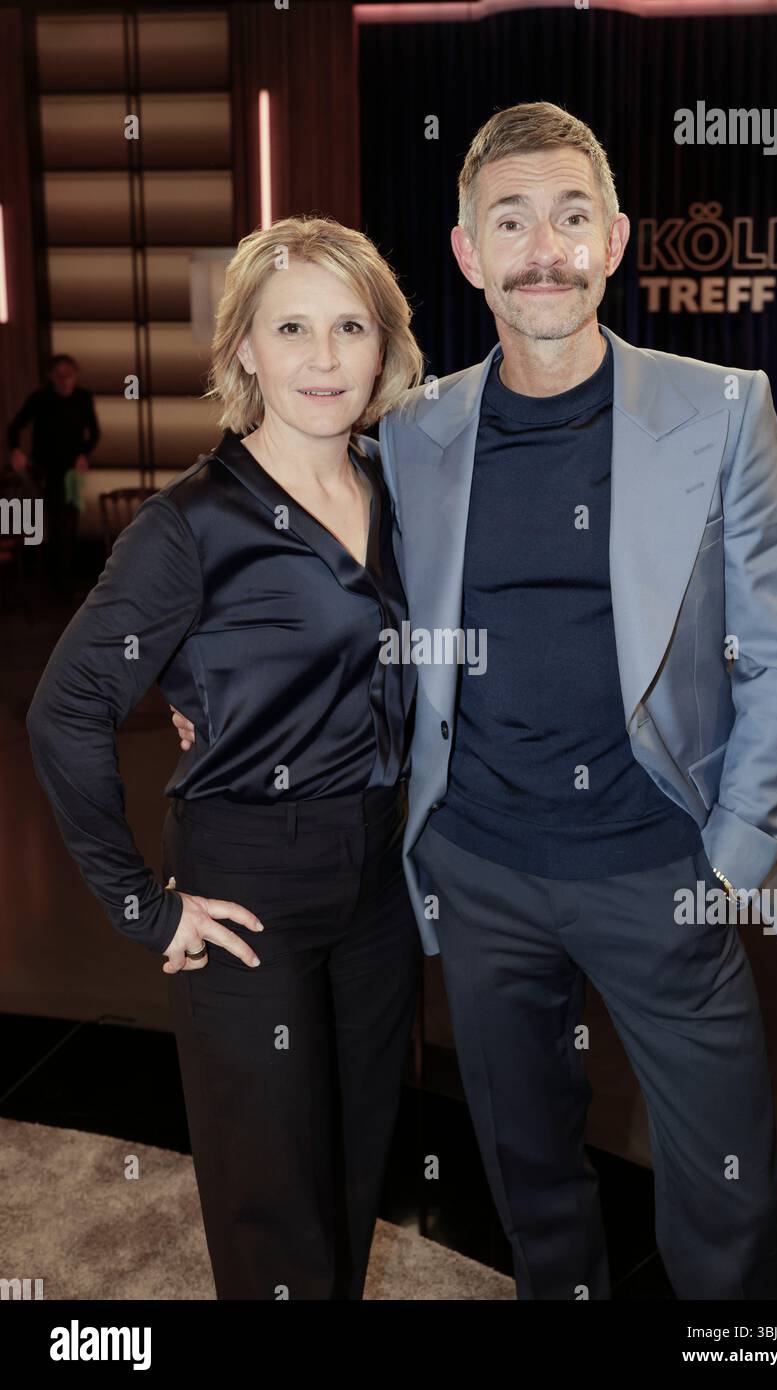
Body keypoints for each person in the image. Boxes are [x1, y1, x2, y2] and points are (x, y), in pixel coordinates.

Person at [174, 103, 777, 1302]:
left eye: (572, 218)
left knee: (726, 1198)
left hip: (661, 868)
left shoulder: (724, 408)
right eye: (510, 220)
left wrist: (734, 851)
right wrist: (204, 682)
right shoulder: (416, 429)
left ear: (616, 239)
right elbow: (299, 550)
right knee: (530, 1178)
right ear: (468, 252)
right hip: (478, 875)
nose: (544, 247)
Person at [26, 216, 424, 1300]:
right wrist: (143, 908)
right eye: (291, 327)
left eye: (351, 326)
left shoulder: (407, 493)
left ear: (384, 346)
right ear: (244, 347)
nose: (325, 357)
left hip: (382, 883)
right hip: (249, 885)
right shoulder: (191, 524)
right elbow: (63, 714)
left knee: (350, 1177)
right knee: (270, 1203)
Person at [8, 353, 100, 594]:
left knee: (70, 520)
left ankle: (66, 577)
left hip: (72, 470)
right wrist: (16, 451)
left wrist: (84, 454)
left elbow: (95, 433)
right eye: (59, 376)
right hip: (45, 468)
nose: (64, 381)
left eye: (69, 376)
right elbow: (14, 427)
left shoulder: (82, 398)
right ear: (50, 377)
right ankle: (53, 579)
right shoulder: (40, 398)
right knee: (54, 520)